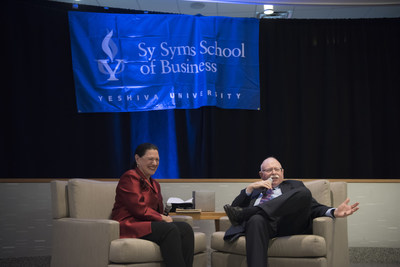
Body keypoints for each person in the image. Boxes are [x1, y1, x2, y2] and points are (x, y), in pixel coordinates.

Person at [223, 156, 359, 267]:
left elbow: (313, 207)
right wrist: (250, 188)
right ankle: (254, 213)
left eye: (277, 169)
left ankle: (252, 212)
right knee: (255, 219)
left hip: (288, 222)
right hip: (261, 225)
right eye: (269, 170)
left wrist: (334, 211)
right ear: (261, 174)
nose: (274, 172)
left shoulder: (294, 186)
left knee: (304, 193)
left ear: (282, 172)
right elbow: (234, 210)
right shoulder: (255, 191)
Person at [111, 143, 194, 267]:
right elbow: (138, 208)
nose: (154, 163)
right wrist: (161, 218)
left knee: (185, 228)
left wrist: (164, 215)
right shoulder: (129, 177)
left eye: (157, 160)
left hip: (147, 223)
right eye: (150, 159)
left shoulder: (155, 184)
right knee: (170, 229)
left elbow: (158, 210)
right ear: (137, 159)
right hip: (130, 224)